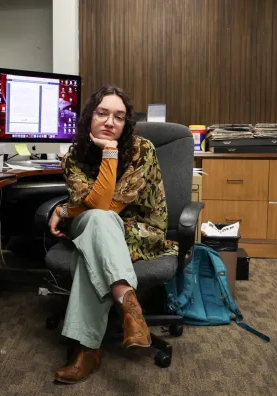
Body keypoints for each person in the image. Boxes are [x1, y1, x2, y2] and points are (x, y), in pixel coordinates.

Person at [48, 86, 178, 384]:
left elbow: (109, 205)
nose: (110, 122)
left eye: (119, 117)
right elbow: (97, 206)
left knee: (92, 244)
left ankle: (88, 350)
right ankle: (128, 303)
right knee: (98, 221)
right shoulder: (74, 156)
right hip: (97, 225)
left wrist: (66, 210)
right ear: (89, 117)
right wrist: (74, 207)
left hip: (140, 232)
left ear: (126, 124)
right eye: (102, 113)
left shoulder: (141, 150)